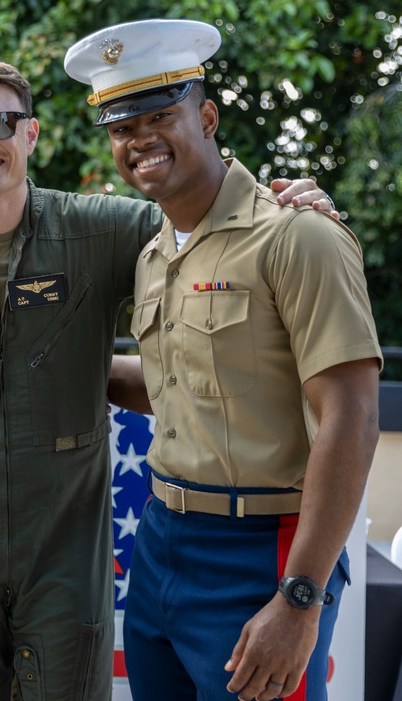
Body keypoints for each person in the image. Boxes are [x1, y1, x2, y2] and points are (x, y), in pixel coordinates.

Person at [0, 57, 335, 700]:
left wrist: (290, 203)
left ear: (31, 134)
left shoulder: (108, 229)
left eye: (0, 122)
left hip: (68, 534)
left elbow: (215, 231)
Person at [65, 19, 382, 701]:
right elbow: (181, 389)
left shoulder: (298, 237)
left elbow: (351, 417)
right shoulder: (156, 255)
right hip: (161, 544)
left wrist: (300, 597)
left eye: (159, 116)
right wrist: (58, 373)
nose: (140, 140)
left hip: (262, 551)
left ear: (206, 117)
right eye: (122, 128)